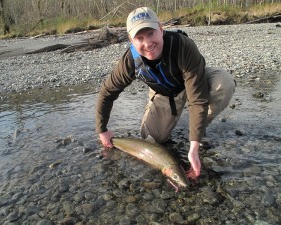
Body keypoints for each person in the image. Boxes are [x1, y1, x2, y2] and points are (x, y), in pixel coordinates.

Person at [95, 7, 236, 180]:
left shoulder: (183, 46)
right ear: (131, 40)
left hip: (194, 82)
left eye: (151, 33)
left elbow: (197, 100)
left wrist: (193, 147)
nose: (147, 43)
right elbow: (107, 92)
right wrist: (102, 129)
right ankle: (181, 122)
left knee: (224, 83)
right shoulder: (129, 62)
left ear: (161, 30)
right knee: (154, 138)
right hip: (165, 93)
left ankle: (197, 130)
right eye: (139, 38)